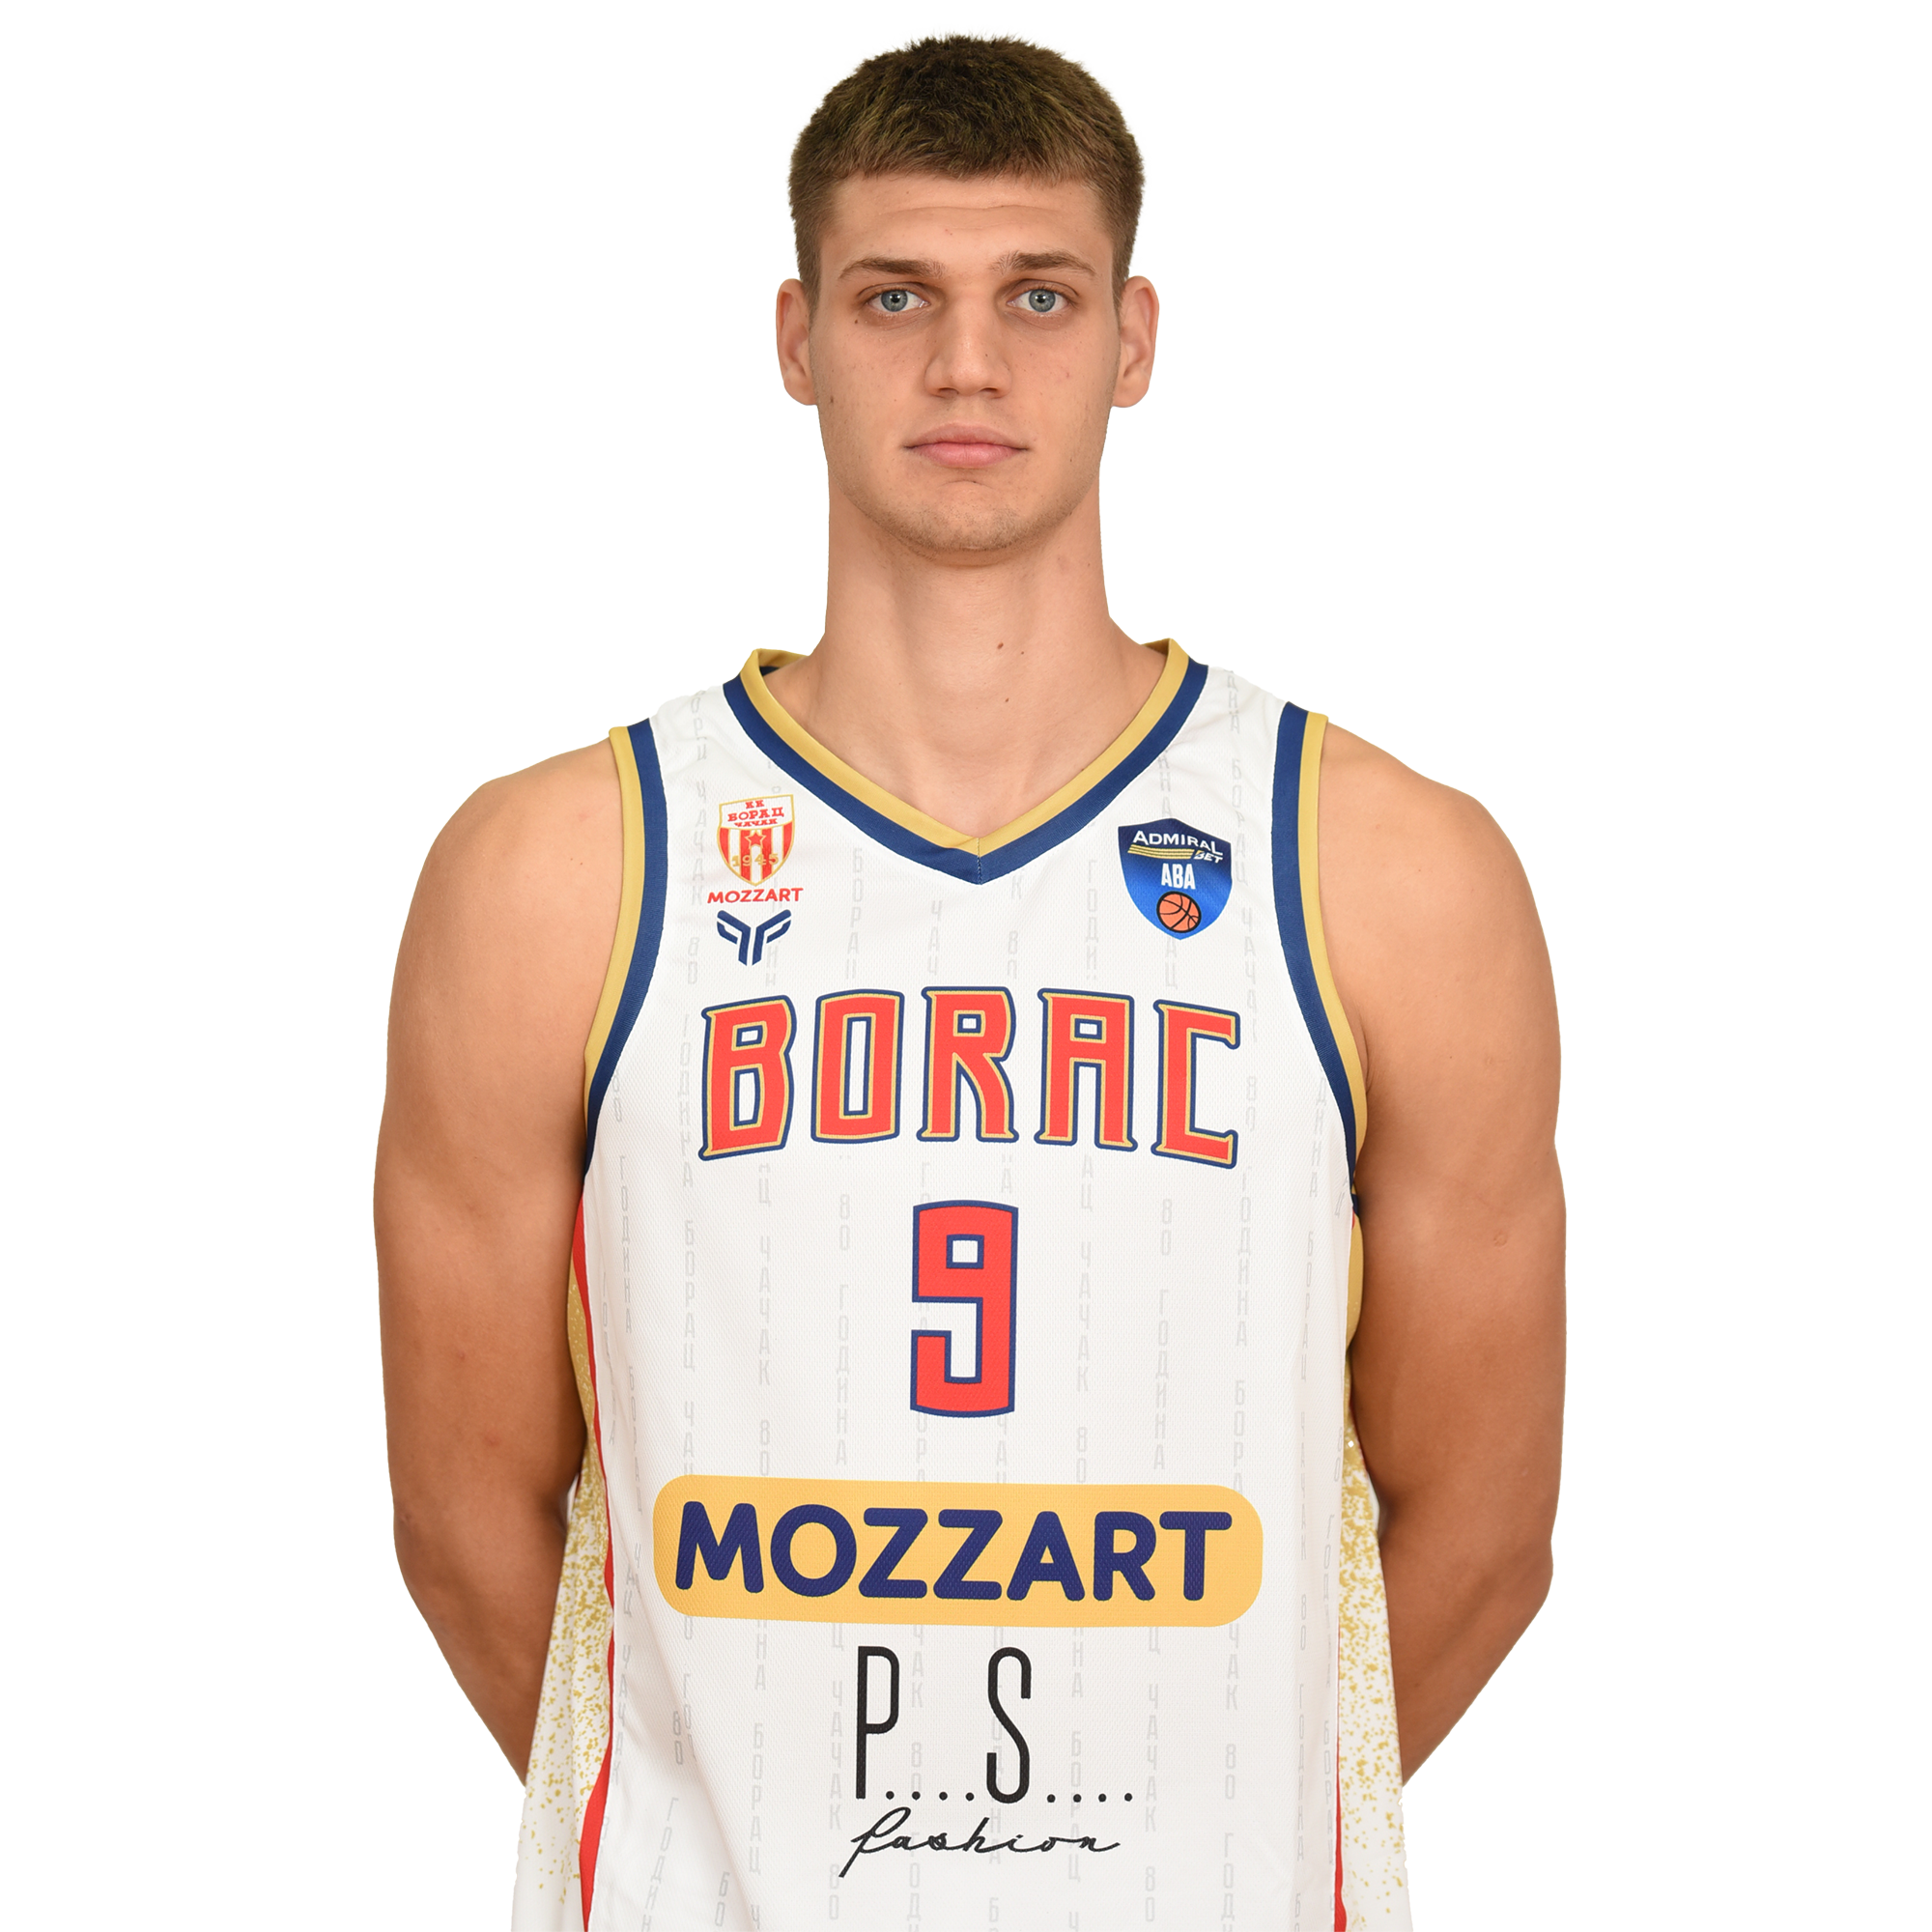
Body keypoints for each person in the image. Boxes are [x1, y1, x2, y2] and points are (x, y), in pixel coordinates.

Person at [377, 30, 1563, 1932]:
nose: (965, 363)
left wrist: (1202, 1862)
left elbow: (1488, 1533)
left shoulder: (1388, 874)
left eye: (1038, 294)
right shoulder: (555, 875)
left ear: (1133, 337)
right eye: (892, 295)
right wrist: (732, 1850)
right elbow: (459, 1522)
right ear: (796, 338)